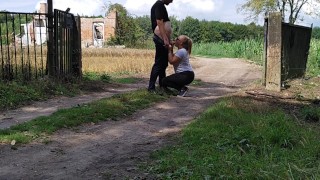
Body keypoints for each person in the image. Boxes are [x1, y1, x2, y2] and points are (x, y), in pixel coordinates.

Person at [148, 0, 173, 92]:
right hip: (160, 39)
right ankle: (151, 88)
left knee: (163, 64)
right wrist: (165, 38)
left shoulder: (161, 5)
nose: (171, 1)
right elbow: (159, 22)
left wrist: (168, 39)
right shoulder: (159, 5)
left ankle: (163, 86)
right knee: (159, 63)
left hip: (162, 38)